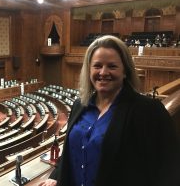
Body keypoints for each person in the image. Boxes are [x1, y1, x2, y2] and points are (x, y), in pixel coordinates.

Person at [38, 35, 180, 186]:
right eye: (97, 66)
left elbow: (169, 170)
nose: (103, 72)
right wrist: (56, 176)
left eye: (112, 66)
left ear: (125, 71)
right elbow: (72, 149)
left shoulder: (148, 111)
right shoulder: (80, 105)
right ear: (89, 70)